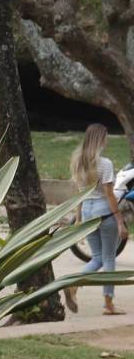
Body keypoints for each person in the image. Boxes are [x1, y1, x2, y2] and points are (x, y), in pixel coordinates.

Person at [65, 123, 126, 316]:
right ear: (100, 139)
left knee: (98, 257)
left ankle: (73, 284)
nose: (107, 139)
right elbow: (109, 194)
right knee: (108, 258)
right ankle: (108, 304)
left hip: (88, 212)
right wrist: (120, 220)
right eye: (106, 136)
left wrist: (78, 217)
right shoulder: (105, 163)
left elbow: (79, 192)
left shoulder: (78, 161)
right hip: (104, 212)